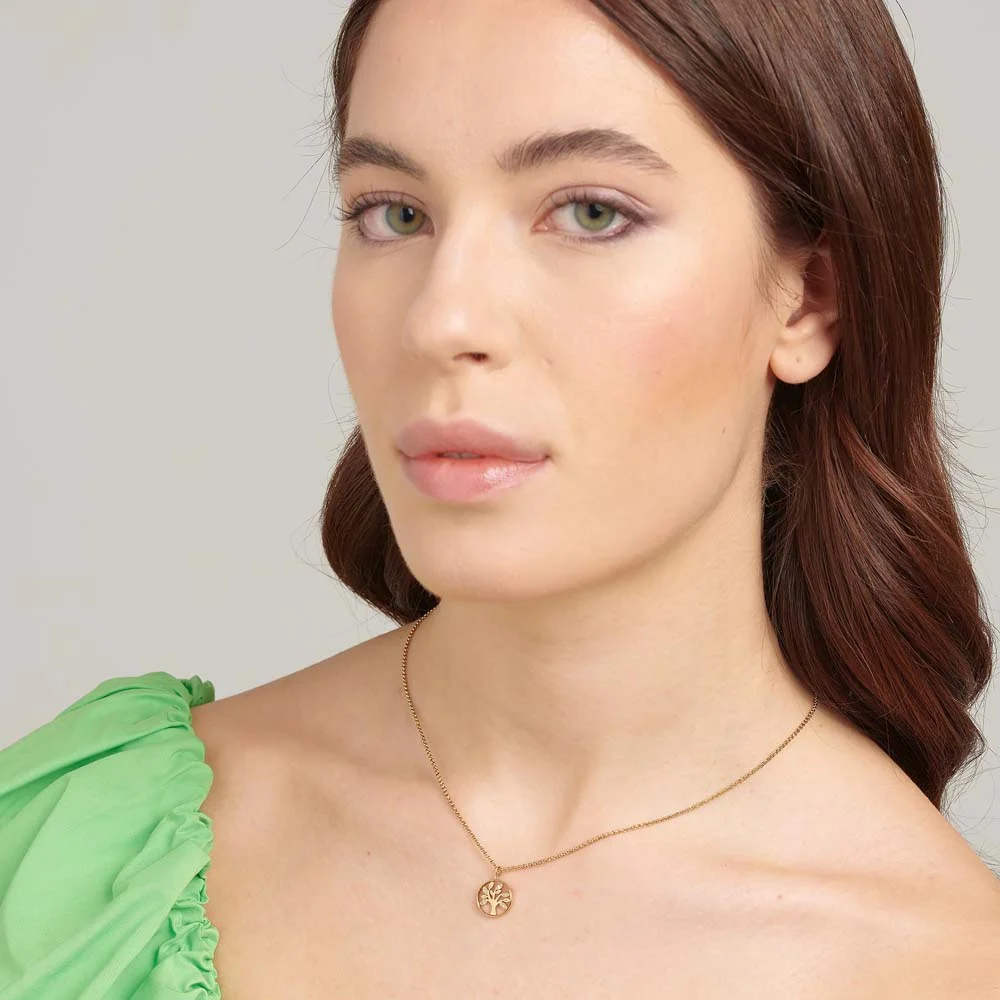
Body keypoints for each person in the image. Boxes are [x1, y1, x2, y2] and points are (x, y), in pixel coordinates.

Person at [1, 0, 998, 996]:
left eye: (592, 212)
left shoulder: (943, 963)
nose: (442, 318)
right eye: (394, 213)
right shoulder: (84, 849)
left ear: (811, 297)